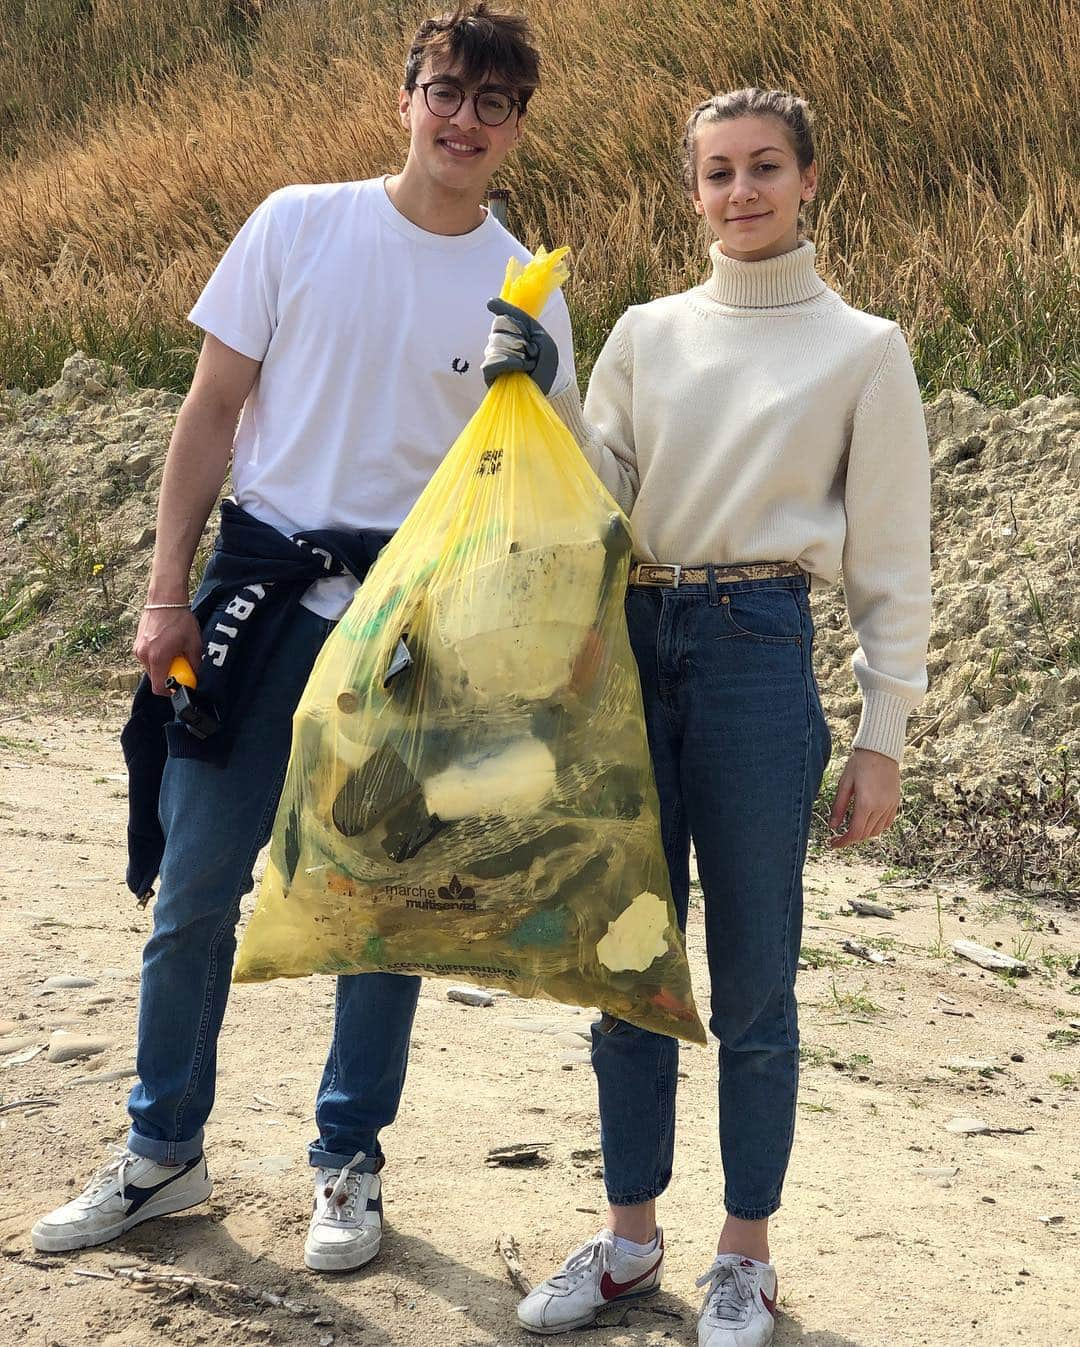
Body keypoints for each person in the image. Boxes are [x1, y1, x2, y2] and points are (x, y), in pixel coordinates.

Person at [31, 3, 575, 1274]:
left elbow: (544, 481)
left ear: (516, 129)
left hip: (414, 628)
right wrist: (166, 591)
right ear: (407, 96)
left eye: (495, 104)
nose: (465, 120)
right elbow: (211, 412)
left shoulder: (524, 284)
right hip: (261, 598)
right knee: (194, 892)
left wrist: (536, 375)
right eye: (447, 90)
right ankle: (162, 1150)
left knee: (381, 912)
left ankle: (349, 1160)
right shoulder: (297, 221)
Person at [485, 87, 931, 1345]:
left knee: (753, 978)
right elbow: (597, 491)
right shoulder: (643, 331)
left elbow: (896, 562)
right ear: (693, 191)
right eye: (719, 173)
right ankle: (629, 1242)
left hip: (756, 647)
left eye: (766, 168)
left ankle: (746, 1257)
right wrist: (538, 391)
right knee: (627, 962)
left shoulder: (866, 349)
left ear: (807, 180)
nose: (742, 192)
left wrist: (882, 735)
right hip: (631, 640)